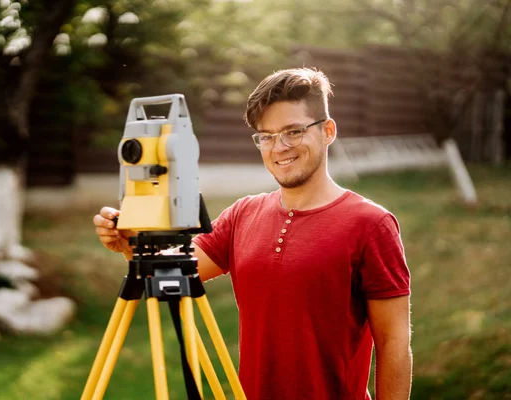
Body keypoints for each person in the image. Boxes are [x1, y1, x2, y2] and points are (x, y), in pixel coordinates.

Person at [93, 68, 412, 400]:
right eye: (267, 135)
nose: (279, 147)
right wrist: (131, 245)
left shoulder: (371, 224)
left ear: (328, 131)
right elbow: (170, 271)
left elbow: (394, 342)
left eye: (294, 131)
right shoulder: (243, 214)